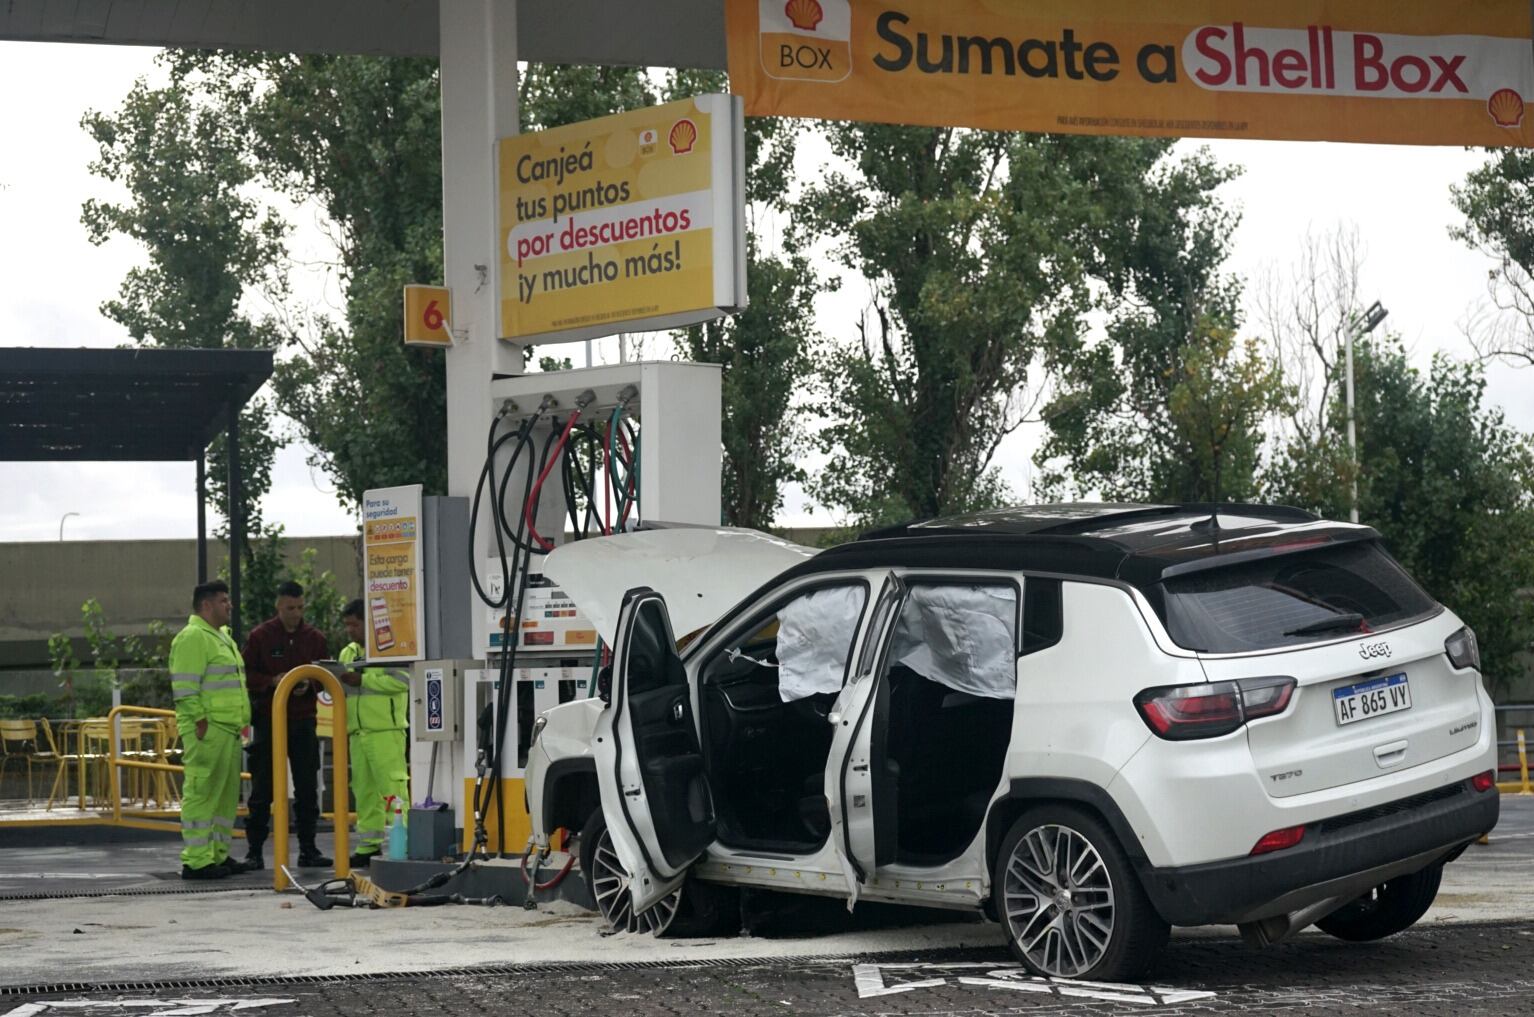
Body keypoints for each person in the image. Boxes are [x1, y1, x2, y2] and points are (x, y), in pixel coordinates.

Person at [239, 580, 332, 870]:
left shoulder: (314, 638)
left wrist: (309, 684)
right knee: (262, 788)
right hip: (269, 721)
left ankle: (308, 849)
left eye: (300, 607)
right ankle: (254, 851)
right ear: (278, 607)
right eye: (290, 608)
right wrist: (272, 682)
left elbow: (326, 675)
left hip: (303, 722)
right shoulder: (261, 637)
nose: (296, 613)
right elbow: (246, 674)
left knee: (307, 787)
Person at [169, 580, 251, 880]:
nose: (229, 605)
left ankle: (216, 855)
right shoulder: (193, 637)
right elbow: (185, 688)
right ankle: (196, 860)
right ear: (206, 605)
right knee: (203, 794)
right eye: (223, 600)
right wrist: (200, 722)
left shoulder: (221, 637)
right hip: (209, 730)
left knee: (224, 798)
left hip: (227, 730)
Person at [337, 598, 411, 867]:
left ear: (368, 624)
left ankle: (400, 844)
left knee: (392, 789)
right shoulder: (348, 653)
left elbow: (403, 680)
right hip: (358, 732)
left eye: (354, 625)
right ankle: (369, 845)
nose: (350, 631)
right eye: (346, 625)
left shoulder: (390, 646)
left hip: (385, 731)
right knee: (364, 791)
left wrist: (363, 679)